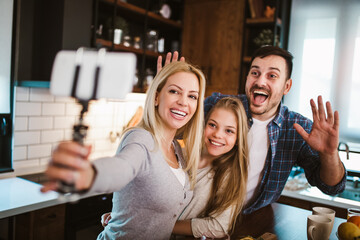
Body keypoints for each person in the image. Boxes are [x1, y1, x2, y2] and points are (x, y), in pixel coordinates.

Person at [41, 61, 207, 240]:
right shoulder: (140, 138)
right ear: (156, 97)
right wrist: (89, 174)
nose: (183, 102)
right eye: (174, 91)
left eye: (192, 96)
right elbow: (122, 167)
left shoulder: (177, 151)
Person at [204, 45, 346, 214]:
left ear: (287, 86)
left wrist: (329, 154)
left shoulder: (297, 128)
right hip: (199, 213)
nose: (260, 81)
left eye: (272, 76)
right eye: (255, 73)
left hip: (249, 219)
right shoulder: (218, 105)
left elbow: (331, 188)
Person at [102, 97, 249, 239]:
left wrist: (155, 224)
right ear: (203, 125)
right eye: (212, 125)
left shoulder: (229, 176)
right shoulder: (176, 153)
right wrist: (125, 216)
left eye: (229, 131)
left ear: (238, 139)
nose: (218, 134)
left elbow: (218, 227)